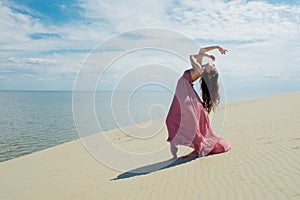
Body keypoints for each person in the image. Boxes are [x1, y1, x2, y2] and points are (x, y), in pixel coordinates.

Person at [165, 45, 231, 159]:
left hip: (184, 94)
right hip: (184, 93)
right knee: (173, 121)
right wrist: (217, 47)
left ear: (209, 70)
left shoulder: (199, 69)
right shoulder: (200, 67)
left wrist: (205, 56)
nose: (212, 63)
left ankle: (196, 149)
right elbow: (201, 50)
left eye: (213, 66)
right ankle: (177, 154)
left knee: (173, 121)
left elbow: (191, 56)